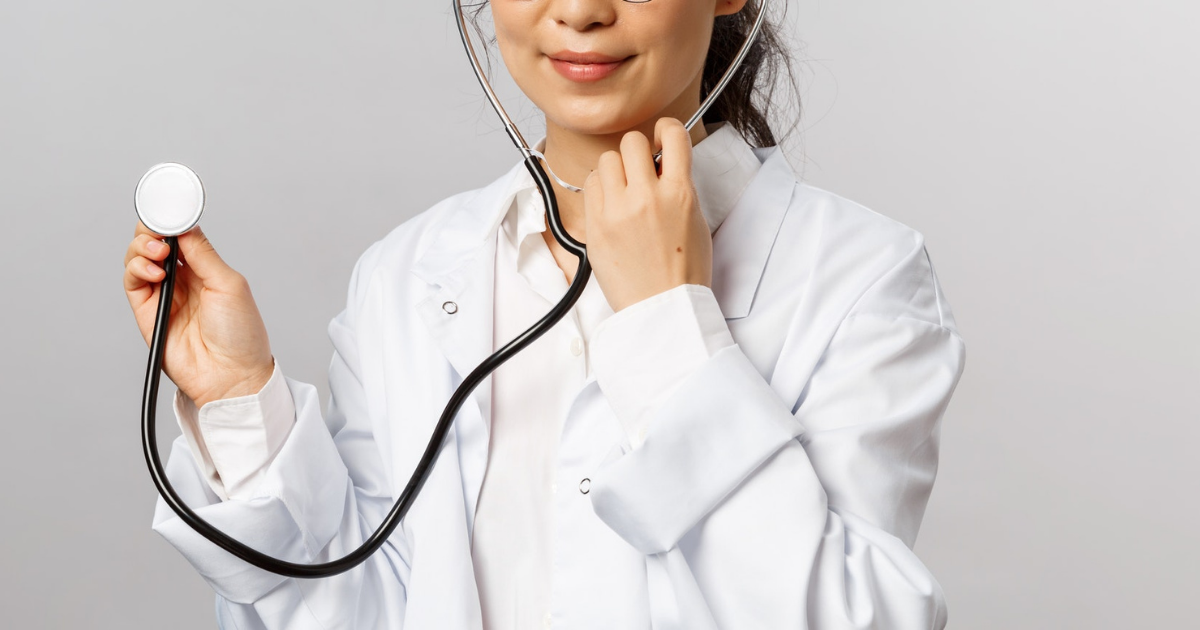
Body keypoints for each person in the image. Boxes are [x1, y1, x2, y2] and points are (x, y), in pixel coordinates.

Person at [121, 1, 967, 628]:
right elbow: (365, 607)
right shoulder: (407, 274)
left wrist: (669, 325)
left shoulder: (860, 277)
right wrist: (241, 404)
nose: (580, 12)